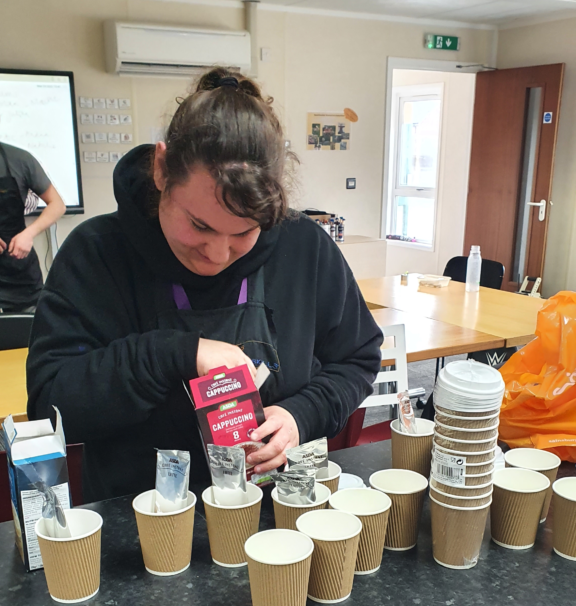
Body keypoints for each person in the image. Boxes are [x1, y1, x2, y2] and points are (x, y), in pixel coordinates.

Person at [27, 69, 383, 502]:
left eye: (244, 233)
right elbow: (50, 408)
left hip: (275, 514)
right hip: (143, 524)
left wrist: (299, 415)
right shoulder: (96, 253)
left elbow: (357, 358)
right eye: (199, 225)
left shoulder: (303, 246)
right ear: (161, 170)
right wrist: (173, 353)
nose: (216, 255)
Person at [0, 142, 66, 313]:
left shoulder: (20, 159)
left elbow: (57, 205)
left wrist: (29, 234)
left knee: (27, 334)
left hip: (19, 273)